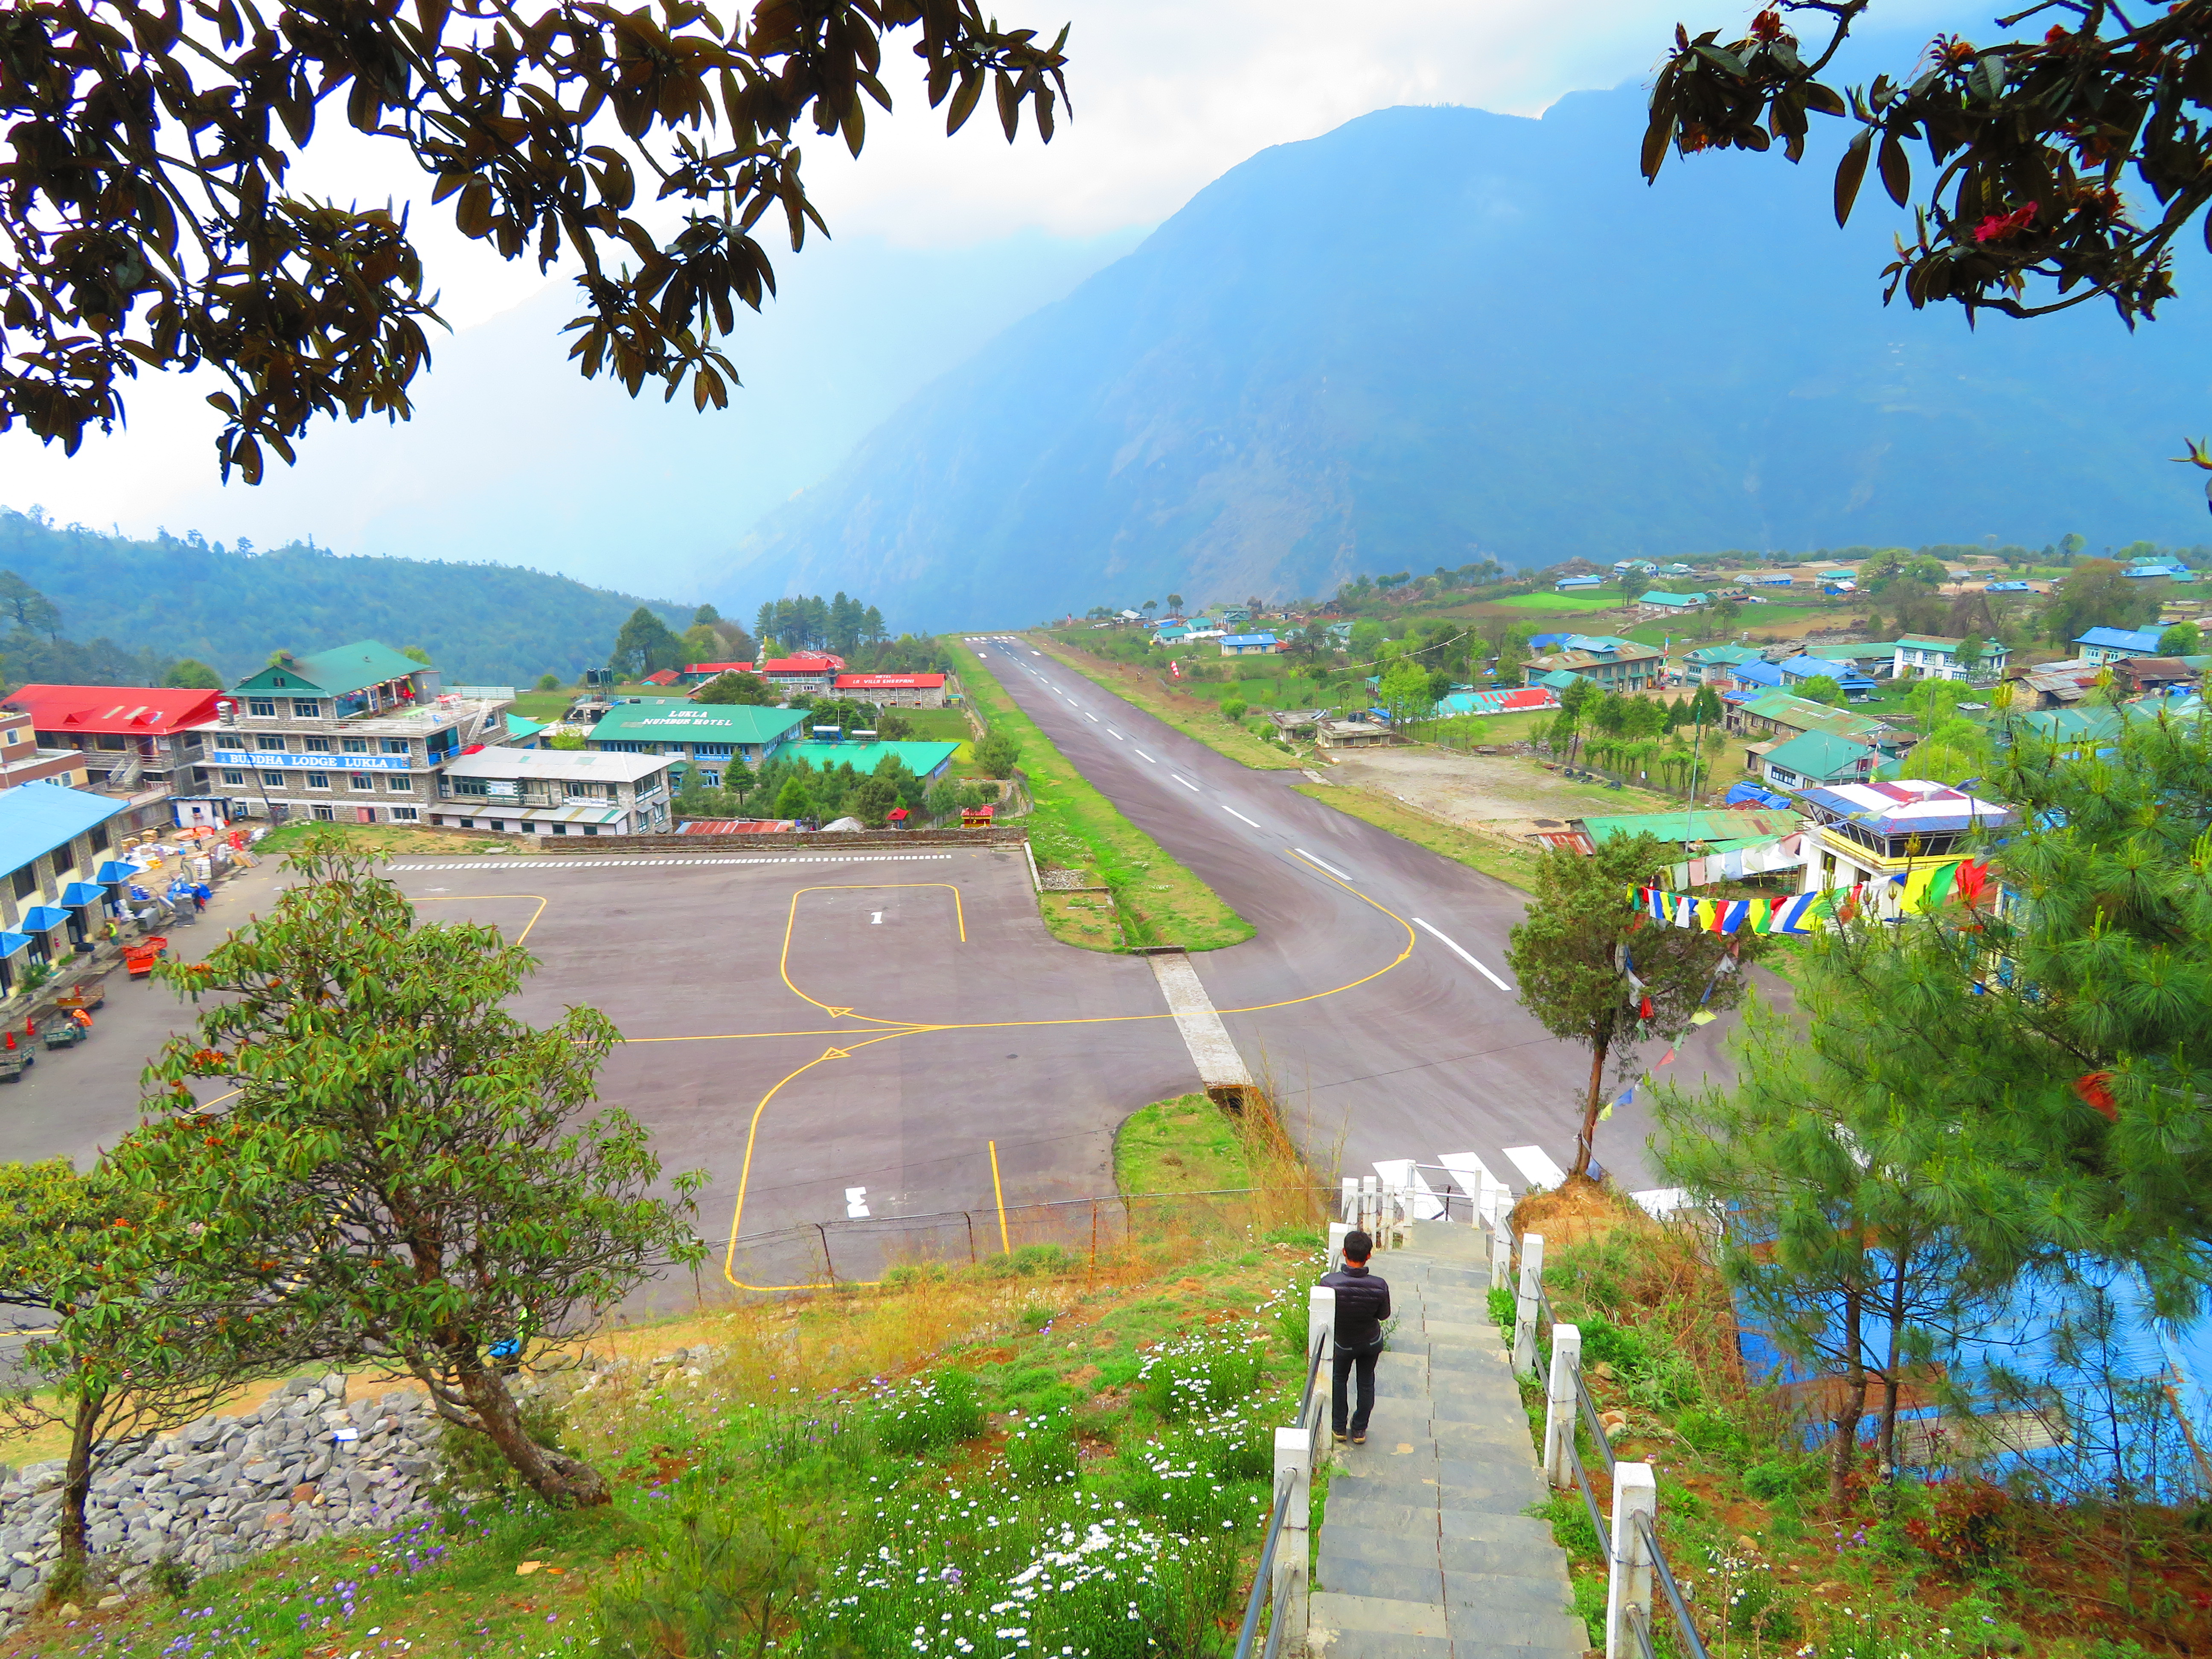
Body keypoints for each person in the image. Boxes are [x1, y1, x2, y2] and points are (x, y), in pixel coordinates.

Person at [1319, 1229, 1392, 1446]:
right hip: (1370, 1342)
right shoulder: (1379, 1285)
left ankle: (1339, 1427)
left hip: (1341, 1343)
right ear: (1369, 1255)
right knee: (1366, 1382)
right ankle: (1360, 1429)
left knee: (1339, 1380)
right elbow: (1384, 1315)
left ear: (1344, 1252)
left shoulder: (1329, 1283)